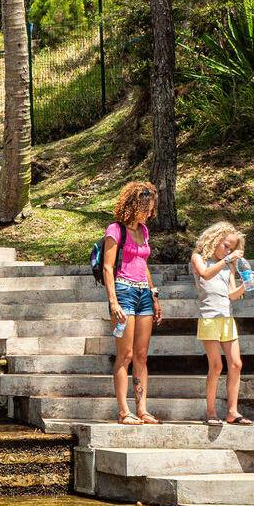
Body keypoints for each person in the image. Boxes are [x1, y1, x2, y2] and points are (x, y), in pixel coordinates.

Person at [101, 181, 164, 424]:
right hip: (124, 291)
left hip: (143, 294)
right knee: (125, 355)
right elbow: (108, 268)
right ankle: (123, 411)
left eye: (151, 208)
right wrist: (113, 302)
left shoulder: (144, 231)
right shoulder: (115, 230)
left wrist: (154, 295)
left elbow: (144, 265)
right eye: (146, 208)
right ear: (133, 205)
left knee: (141, 355)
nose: (150, 213)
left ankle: (142, 409)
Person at [190, 222, 250, 426]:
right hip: (209, 317)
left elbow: (231, 295)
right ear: (215, 240)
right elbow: (205, 275)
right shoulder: (199, 258)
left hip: (227, 317)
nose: (229, 250)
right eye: (226, 245)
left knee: (236, 363)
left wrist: (245, 286)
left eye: (232, 248)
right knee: (216, 366)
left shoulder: (228, 265)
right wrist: (226, 260)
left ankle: (232, 411)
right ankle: (211, 411)